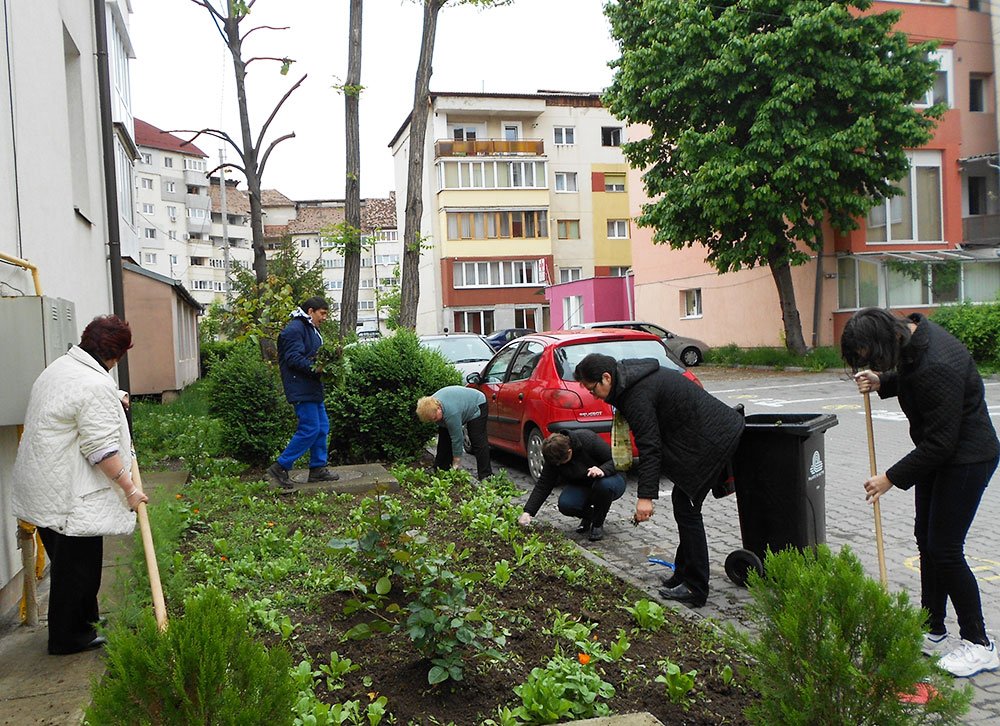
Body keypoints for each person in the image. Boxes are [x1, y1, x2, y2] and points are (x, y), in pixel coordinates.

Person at [842, 307, 999, 678]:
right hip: (941, 456)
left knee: (945, 549)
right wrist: (883, 381)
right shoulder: (914, 339)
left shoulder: (937, 363)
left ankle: (979, 643)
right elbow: (910, 375)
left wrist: (890, 478)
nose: (873, 363)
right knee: (925, 541)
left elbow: (940, 444)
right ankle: (934, 630)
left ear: (889, 339)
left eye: (872, 357)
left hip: (966, 459)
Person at [12, 315, 149, 655]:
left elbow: (72, 404)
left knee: (69, 566)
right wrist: (130, 489)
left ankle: (84, 629)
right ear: (115, 355)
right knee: (79, 572)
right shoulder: (93, 385)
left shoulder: (60, 368)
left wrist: (111, 396)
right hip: (67, 495)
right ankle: (68, 639)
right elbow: (101, 449)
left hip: (42, 487)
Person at [574, 353, 744, 607]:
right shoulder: (630, 381)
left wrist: (645, 498)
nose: (593, 395)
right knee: (683, 503)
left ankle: (695, 588)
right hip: (707, 437)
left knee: (687, 509)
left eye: (592, 388)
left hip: (713, 441)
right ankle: (684, 574)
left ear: (606, 378)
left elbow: (650, 447)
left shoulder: (635, 395)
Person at [267, 297, 339, 490]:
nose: (325, 318)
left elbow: (311, 355)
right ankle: (280, 466)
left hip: (312, 388)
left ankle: (317, 469)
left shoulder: (309, 329)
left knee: (322, 426)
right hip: (300, 388)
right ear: (310, 311)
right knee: (310, 429)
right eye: (322, 313)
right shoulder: (295, 329)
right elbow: (293, 358)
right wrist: (318, 369)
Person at [517, 431, 626, 541]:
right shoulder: (553, 455)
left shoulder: (587, 440)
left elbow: (618, 460)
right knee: (566, 504)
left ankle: (597, 524)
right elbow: (543, 485)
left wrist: (602, 470)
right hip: (583, 484)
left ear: (570, 451)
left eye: (563, 462)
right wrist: (528, 512)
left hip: (612, 478)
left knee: (603, 485)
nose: (559, 465)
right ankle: (591, 516)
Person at [416, 386, 492, 480]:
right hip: (457, 404)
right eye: (431, 420)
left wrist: (456, 462)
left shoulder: (451, 413)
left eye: (435, 418)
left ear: (438, 408)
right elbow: (445, 439)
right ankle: (441, 468)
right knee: (444, 439)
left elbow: (457, 438)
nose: (435, 421)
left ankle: (486, 475)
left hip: (477, 403)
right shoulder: (429, 405)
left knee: (477, 439)